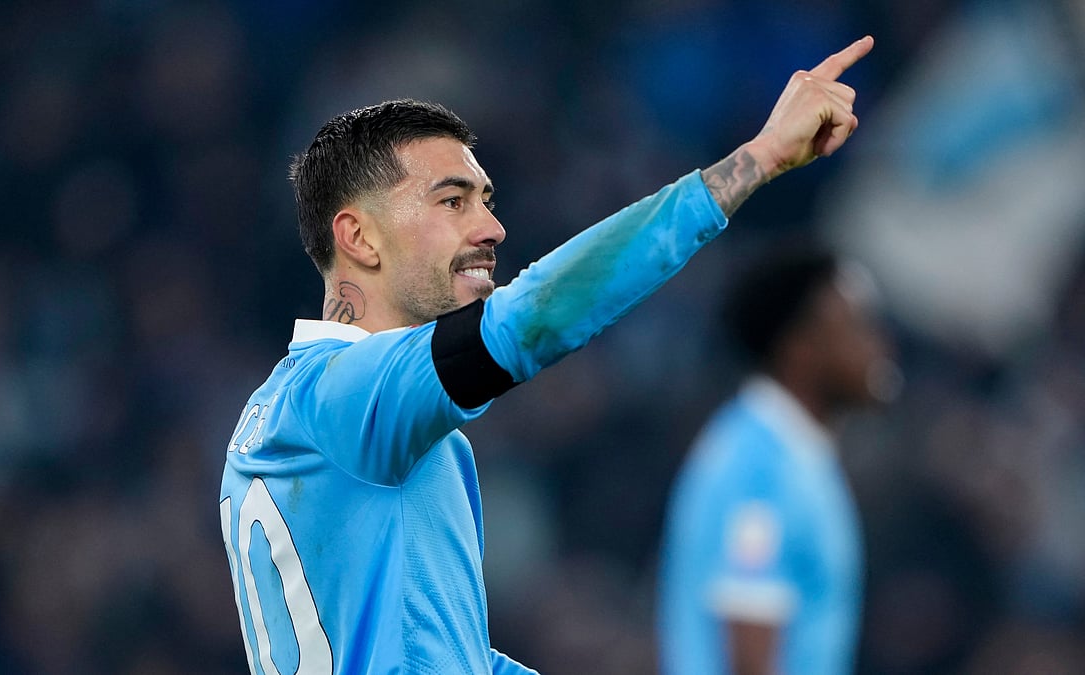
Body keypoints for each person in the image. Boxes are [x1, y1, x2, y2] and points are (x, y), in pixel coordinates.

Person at [219, 36, 875, 675]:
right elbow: (536, 313)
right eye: (452, 200)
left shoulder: (336, 423)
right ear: (358, 236)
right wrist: (754, 160)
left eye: (486, 202)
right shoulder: (343, 398)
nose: (491, 228)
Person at [657, 247, 899, 675]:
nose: (879, 346)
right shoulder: (760, 471)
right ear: (799, 349)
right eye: (857, 327)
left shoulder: (789, 455)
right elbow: (749, 656)